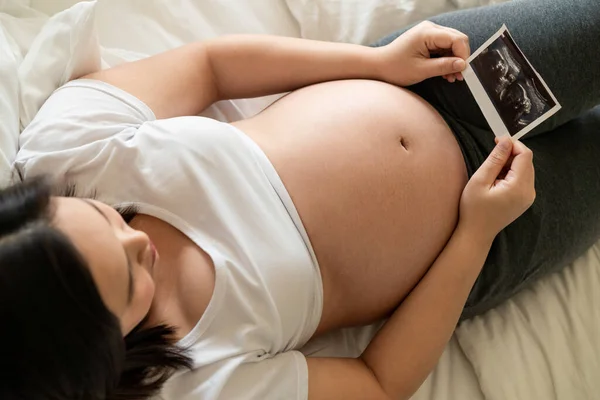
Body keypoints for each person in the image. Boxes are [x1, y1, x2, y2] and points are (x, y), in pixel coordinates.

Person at [2, 0, 599, 399]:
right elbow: (376, 382)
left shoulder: (65, 154)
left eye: (105, 218)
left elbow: (210, 66)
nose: (139, 240)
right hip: (497, 233)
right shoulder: (191, 382)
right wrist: (476, 232)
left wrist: (378, 61)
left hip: (439, 82)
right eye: (130, 278)